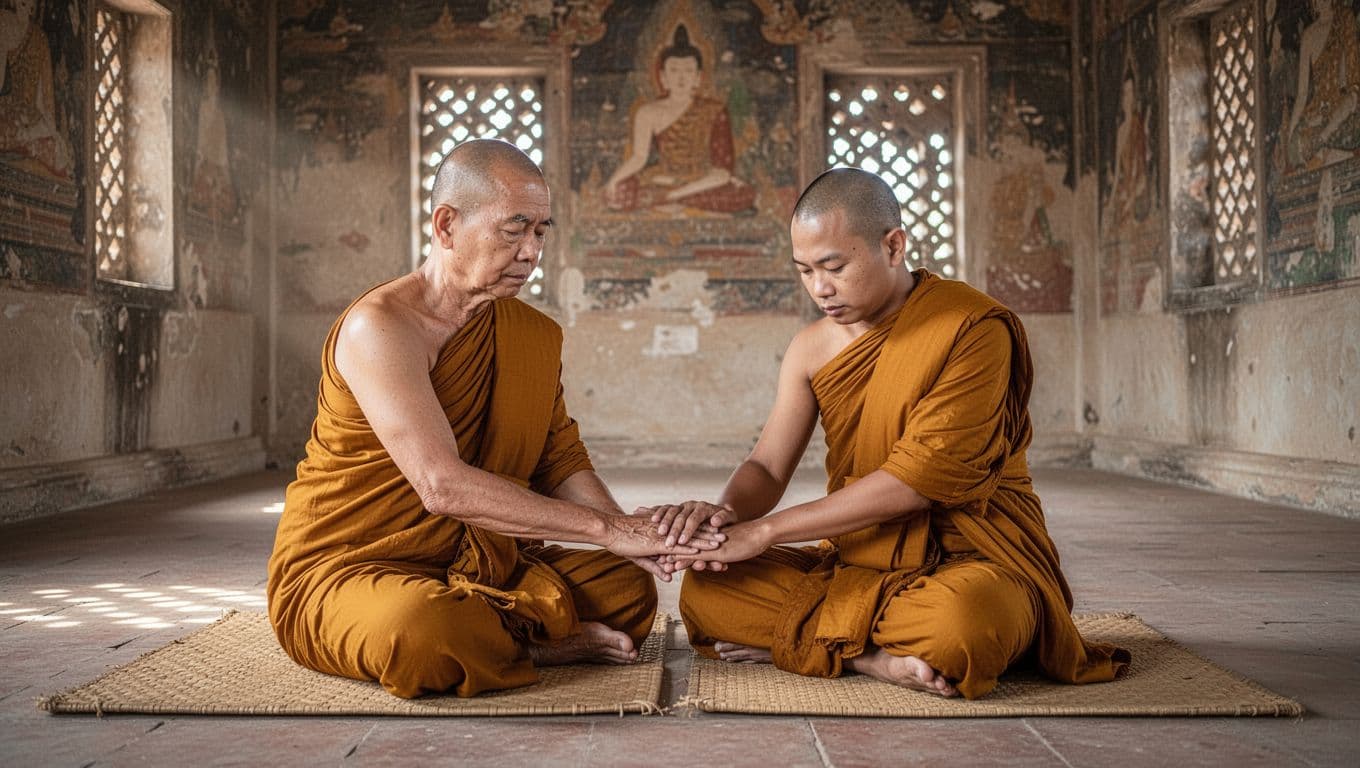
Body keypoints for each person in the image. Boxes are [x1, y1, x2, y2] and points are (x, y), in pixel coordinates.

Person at [648, 168, 1129, 699]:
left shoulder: (970, 328)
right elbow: (766, 467)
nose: (820, 288)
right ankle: (871, 661)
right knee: (707, 590)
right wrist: (722, 521)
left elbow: (915, 482)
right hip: (861, 558)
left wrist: (764, 533)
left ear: (894, 245)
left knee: (963, 627)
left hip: (972, 555)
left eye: (835, 266)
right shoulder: (812, 347)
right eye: (805, 271)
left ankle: (811, 642)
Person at [267, 139, 721, 699]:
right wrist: (607, 530)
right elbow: (441, 486)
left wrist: (629, 538)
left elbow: (559, 460)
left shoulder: (532, 334)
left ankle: (497, 635)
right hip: (353, 568)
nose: (531, 251)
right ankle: (535, 645)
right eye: (514, 229)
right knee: (425, 631)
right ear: (447, 225)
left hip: (486, 561)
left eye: (541, 232)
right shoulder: (380, 329)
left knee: (627, 589)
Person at [603, 24, 754, 213]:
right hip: (664, 178)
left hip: (703, 180)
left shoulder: (714, 110)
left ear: (698, 77)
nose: (681, 78)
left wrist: (675, 195)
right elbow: (638, 158)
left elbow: (722, 172)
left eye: (688, 71)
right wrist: (614, 180)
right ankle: (679, 199)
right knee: (621, 192)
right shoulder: (647, 112)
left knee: (743, 193)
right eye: (674, 70)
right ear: (663, 77)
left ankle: (672, 199)